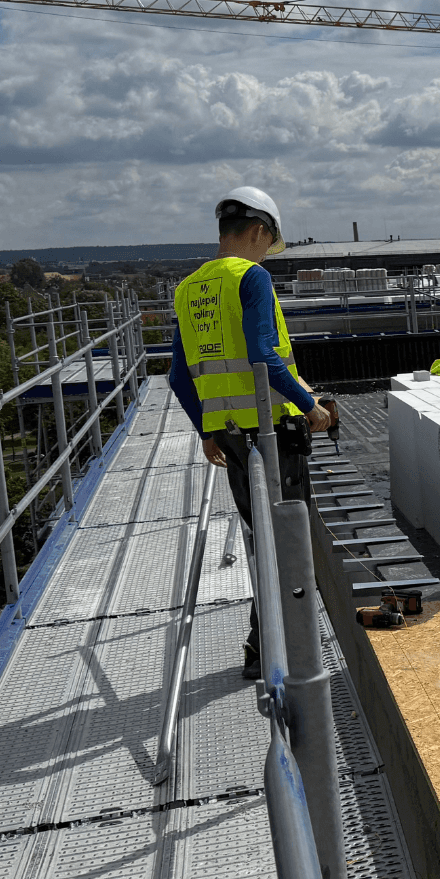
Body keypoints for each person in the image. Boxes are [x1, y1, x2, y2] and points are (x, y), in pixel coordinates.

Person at [169, 186, 331, 679]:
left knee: (264, 541)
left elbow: (178, 376)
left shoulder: (189, 287)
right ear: (260, 232)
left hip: (232, 437)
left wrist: (207, 429)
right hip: (272, 432)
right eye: (269, 243)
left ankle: (262, 648)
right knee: (290, 544)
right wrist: (312, 406)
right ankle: (291, 656)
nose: (267, 255)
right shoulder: (251, 277)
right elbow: (264, 353)